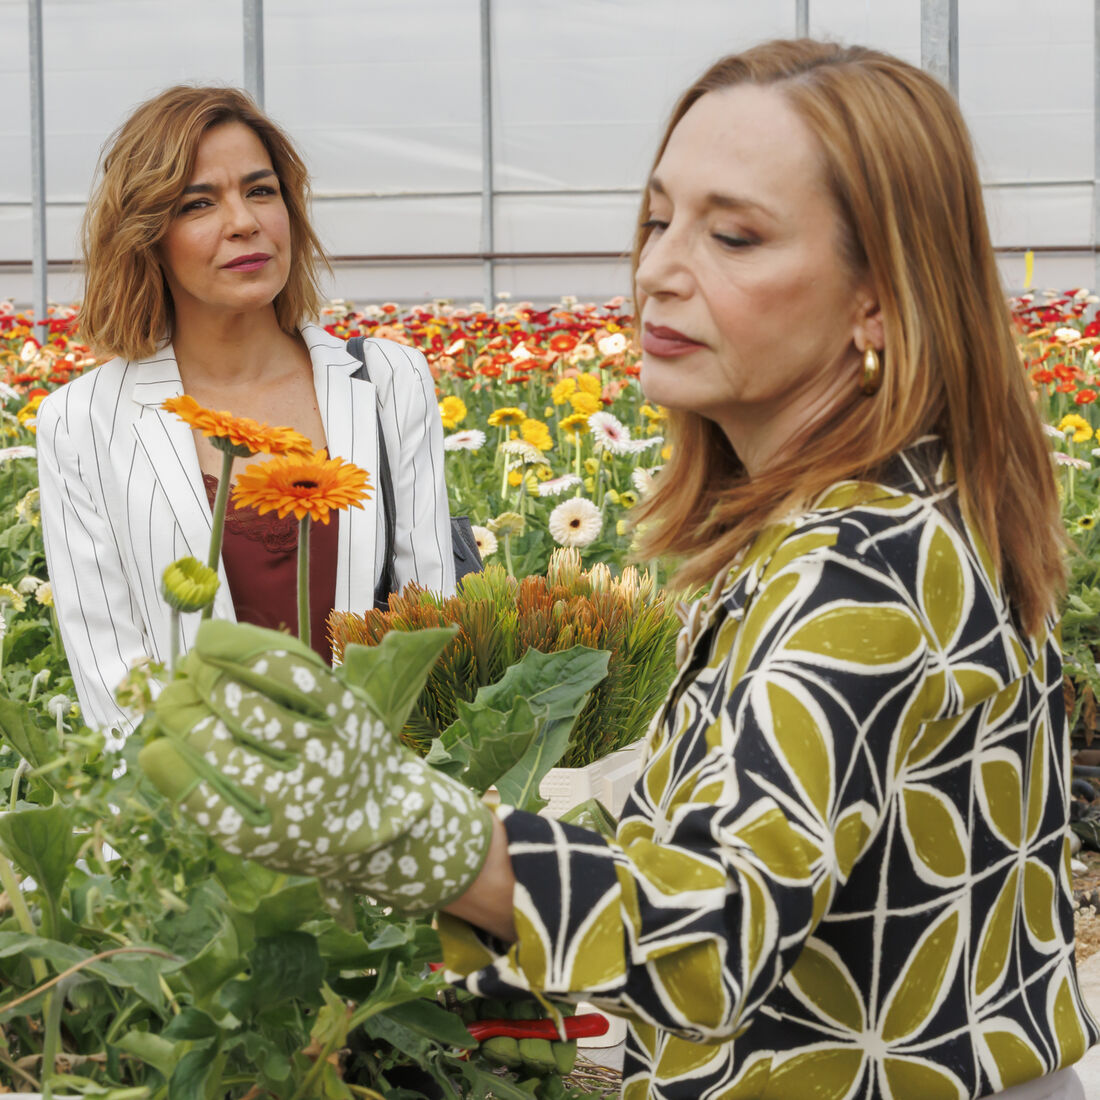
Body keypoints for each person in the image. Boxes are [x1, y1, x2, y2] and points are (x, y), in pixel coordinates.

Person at [140, 41, 1097, 1100]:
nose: (656, 269)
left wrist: (411, 827)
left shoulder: (859, 568)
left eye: (732, 234)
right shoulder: (879, 513)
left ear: (878, 298)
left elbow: (714, 934)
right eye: (656, 219)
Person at [36, 85, 454, 737]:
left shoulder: (386, 383)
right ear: (148, 234)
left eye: (261, 191)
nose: (244, 222)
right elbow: (113, 677)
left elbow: (432, 624)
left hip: (378, 800)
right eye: (199, 203)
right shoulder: (82, 423)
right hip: (189, 812)